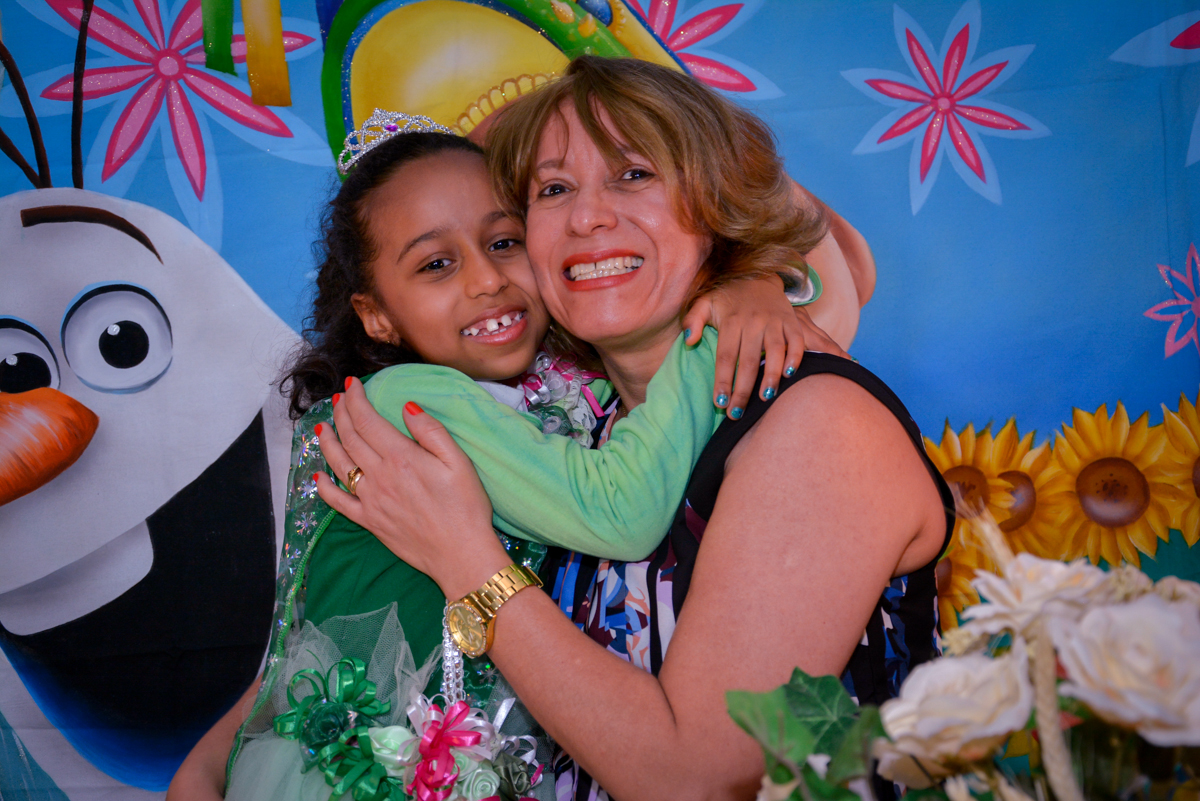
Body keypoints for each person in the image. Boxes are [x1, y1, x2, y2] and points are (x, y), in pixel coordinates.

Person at [315, 55, 954, 801]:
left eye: (634, 174)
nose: (587, 216)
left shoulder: (817, 419)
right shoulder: (585, 423)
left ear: (716, 207)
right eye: (553, 190)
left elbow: (698, 777)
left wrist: (470, 565)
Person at [168, 116, 854, 799]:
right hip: (358, 775)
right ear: (376, 316)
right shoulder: (407, 399)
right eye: (436, 264)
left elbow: (818, 286)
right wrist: (711, 329)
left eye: (505, 241)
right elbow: (619, 511)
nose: (487, 279)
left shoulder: (549, 392)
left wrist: (751, 283)